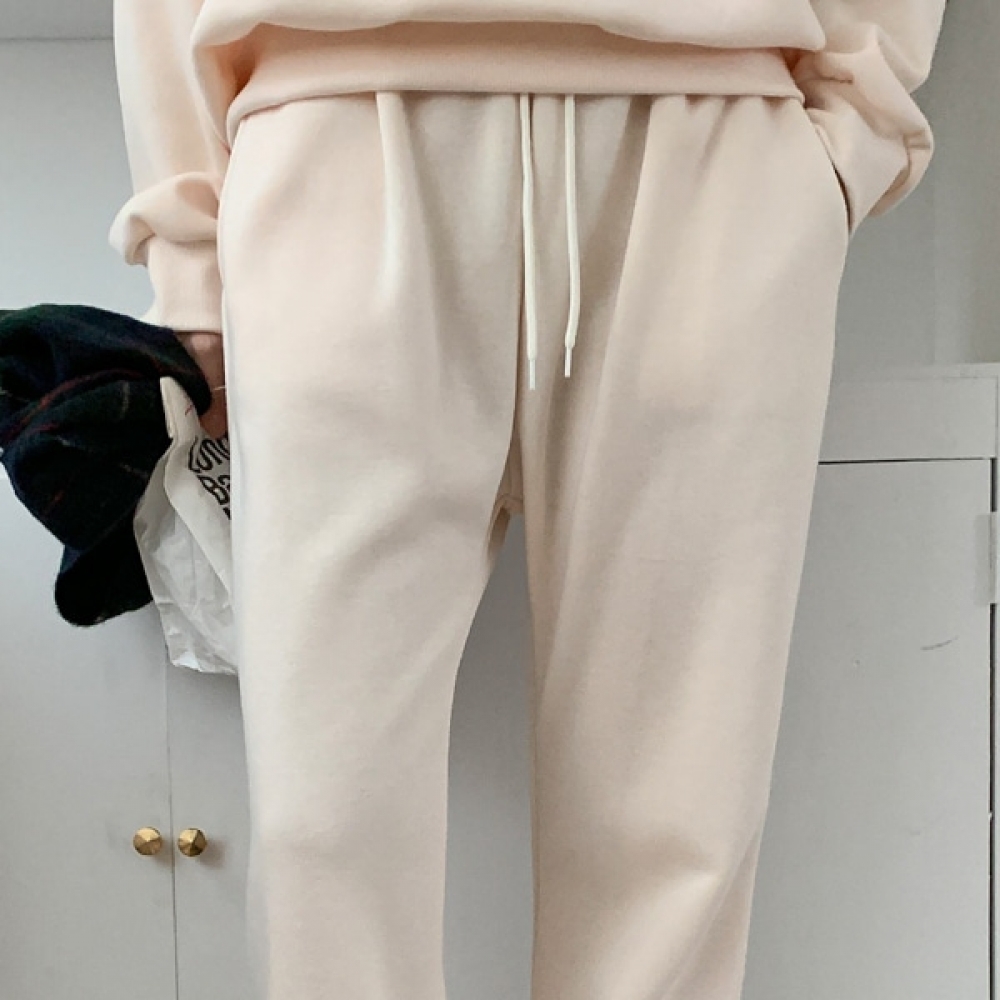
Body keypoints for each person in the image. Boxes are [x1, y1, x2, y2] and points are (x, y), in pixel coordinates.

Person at [108, 2, 947, 998]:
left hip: (715, 131)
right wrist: (189, 259)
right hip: (330, 121)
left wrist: (852, 131)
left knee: (678, 811)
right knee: (324, 817)